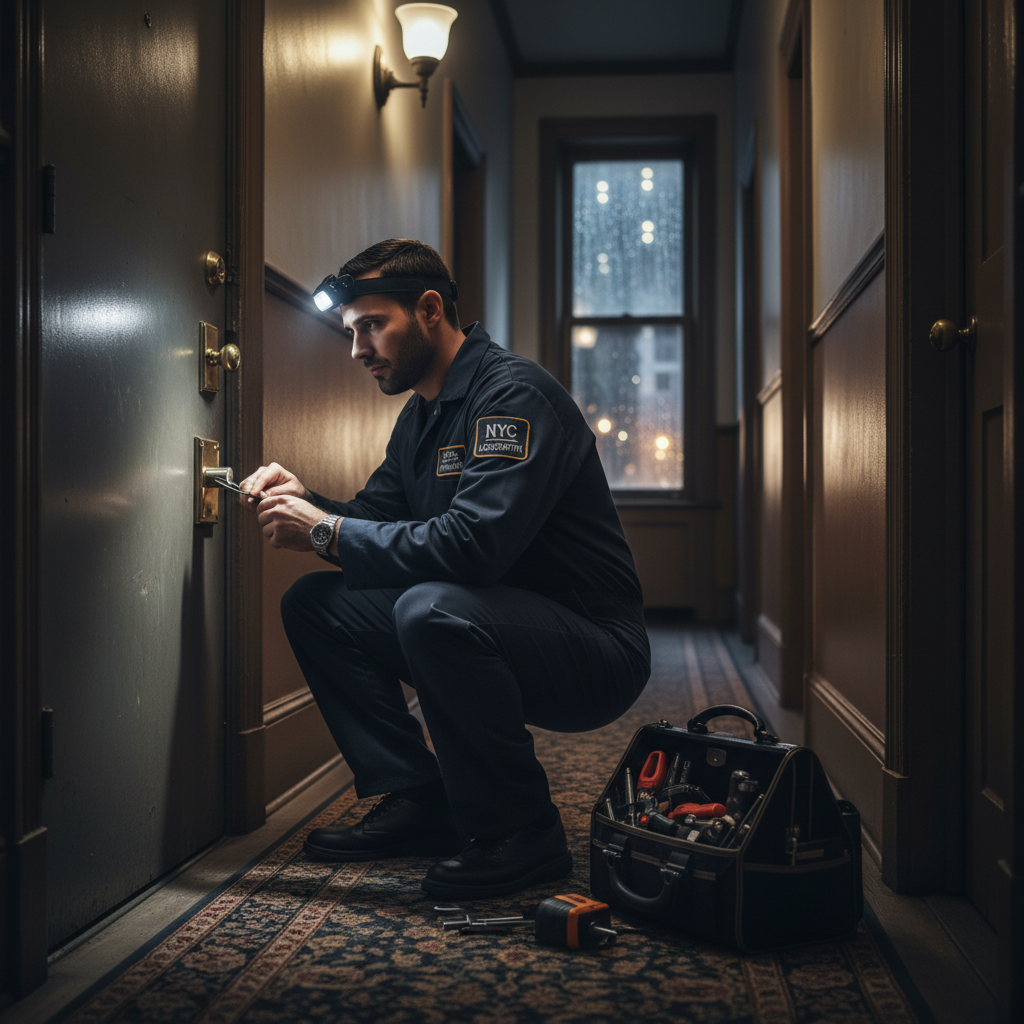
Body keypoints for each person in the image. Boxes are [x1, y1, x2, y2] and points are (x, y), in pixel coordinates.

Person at [239, 239, 650, 899]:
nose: (358, 350)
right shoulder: (422, 415)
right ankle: (418, 801)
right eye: (352, 332)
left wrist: (324, 530)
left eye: (372, 326)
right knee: (318, 604)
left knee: (429, 607)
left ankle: (523, 832)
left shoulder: (511, 395)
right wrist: (308, 502)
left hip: (593, 647)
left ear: (429, 309)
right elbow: (373, 520)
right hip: (486, 620)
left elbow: (472, 549)